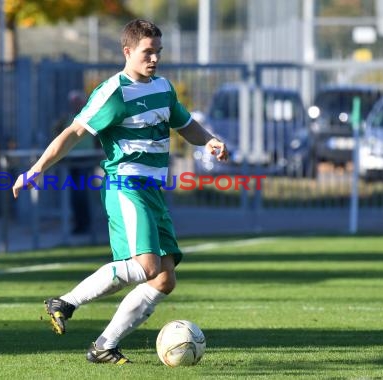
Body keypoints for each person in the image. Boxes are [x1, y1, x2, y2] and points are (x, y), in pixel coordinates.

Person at [12, 19, 228, 364]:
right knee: (146, 265)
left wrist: (211, 141)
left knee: (164, 278)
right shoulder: (114, 92)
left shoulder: (163, 88)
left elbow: (187, 126)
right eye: (147, 52)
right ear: (128, 51)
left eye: (158, 52)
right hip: (126, 185)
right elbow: (73, 133)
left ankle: (103, 346)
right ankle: (66, 302)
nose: (154, 58)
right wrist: (36, 169)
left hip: (154, 191)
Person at [52, 89, 96, 234]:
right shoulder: (67, 119)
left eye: (79, 101)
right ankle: (79, 223)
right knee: (75, 194)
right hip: (72, 160)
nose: (77, 104)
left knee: (82, 193)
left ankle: (86, 224)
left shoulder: (92, 118)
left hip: (86, 160)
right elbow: (57, 135)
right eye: (74, 102)